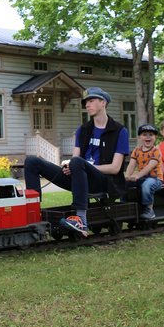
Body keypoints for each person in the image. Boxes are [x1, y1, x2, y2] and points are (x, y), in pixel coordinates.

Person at [23, 87, 129, 237]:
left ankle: (81, 220)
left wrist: (82, 166)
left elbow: (115, 168)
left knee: (77, 162)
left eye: (91, 101)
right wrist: (69, 167)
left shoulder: (119, 131)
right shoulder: (83, 130)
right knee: (32, 161)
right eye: (86, 102)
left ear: (103, 102)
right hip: (80, 178)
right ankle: (32, 212)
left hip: (104, 182)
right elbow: (75, 158)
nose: (87, 105)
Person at [125, 123, 164, 220]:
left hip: (155, 179)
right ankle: (125, 205)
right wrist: (127, 176)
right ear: (140, 137)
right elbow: (131, 165)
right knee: (123, 184)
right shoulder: (136, 150)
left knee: (146, 185)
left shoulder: (156, 151)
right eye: (144, 134)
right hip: (142, 177)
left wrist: (137, 175)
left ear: (155, 137)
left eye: (151, 135)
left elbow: (150, 166)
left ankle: (149, 209)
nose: (148, 137)